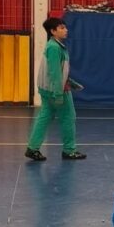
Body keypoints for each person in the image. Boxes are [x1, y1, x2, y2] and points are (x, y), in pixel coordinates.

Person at [24, 17, 86, 162]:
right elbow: (54, 73)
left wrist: (70, 82)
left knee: (45, 117)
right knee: (69, 117)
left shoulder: (55, 45)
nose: (66, 30)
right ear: (53, 31)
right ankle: (69, 150)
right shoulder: (54, 48)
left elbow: (59, 70)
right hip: (56, 90)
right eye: (62, 28)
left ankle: (32, 148)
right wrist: (58, 93)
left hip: (47, 88)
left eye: (65, 27)